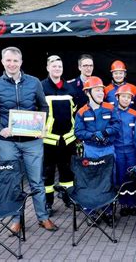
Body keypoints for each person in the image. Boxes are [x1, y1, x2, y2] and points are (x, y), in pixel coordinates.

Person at [0, 46, 58, 232]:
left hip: (32, 142)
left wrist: (43, 126)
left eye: (15, 61)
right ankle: (17, 219)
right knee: (12, 181)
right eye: (8, 60)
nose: (12, 64)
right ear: (2, 62)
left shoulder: (34, 83)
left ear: (21, 62)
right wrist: (0, 130)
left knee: (37, 181)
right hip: (7, 142)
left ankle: (43, 217)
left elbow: (43, 107)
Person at [74, 76, 121, 226]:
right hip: (91, 150)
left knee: (108, 180)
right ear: (88, 92)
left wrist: (106, 132)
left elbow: (117, 126)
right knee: (92, 181)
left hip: (108, 149)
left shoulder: (110, 108)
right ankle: (92, 212)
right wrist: (92, 135)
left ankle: (108, 211)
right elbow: (78, 132)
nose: (101, 93)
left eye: (102, 90)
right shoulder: (81, 112)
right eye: (97, 90)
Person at [41, 55, 77, 216]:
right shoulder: (40, 87)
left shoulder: (70, 88)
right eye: (54, 66)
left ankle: (67, 197)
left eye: (59, 66)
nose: (57, 69)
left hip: (68, 139)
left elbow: (75, 112)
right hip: (48, 140)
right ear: (48, 68)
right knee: (47, 174)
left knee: (67, 172)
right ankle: (48, 203)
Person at [113, 85, 136, 217]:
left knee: (132, 176)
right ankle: (123, 204)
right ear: (117, 97)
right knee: (121, 177)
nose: (125, 99)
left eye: (128, 97)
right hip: (118, 150)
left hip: (131, 151)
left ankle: (132, 204)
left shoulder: (135, 115)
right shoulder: (113, 113)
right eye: (123, 96)